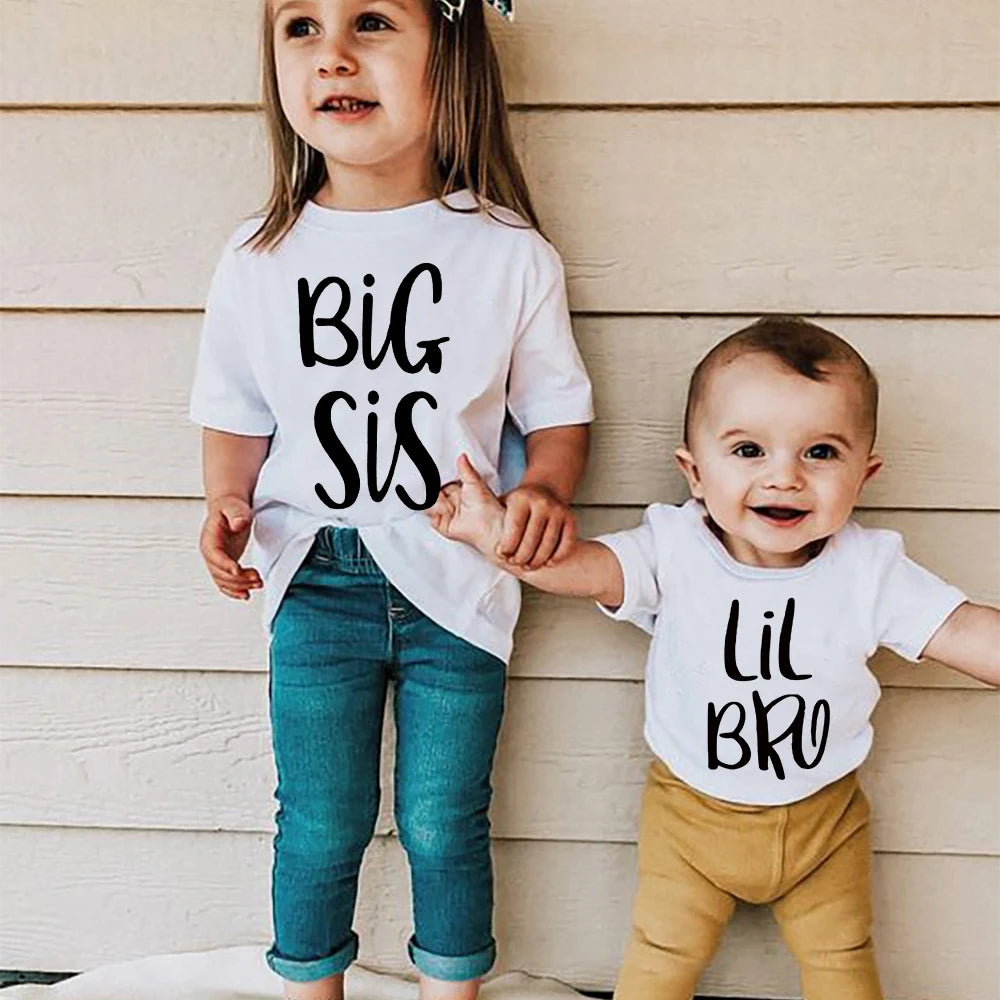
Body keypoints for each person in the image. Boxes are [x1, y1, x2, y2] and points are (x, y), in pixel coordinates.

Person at [188, 2, 593, 998]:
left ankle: (451, 987)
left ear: (448, 56)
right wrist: (225, 501)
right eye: (300, 27)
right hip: (310, 576)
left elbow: (558, 410)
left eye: (371, 20)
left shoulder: (507, 254)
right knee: (320, 817)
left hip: (458, 579)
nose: (332, 52)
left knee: (441, 816)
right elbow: (234, 408)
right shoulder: (257, 256)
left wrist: (542, 485)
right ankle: (310, 983)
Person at [430, 315, 1000, 1000]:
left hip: (824, 823)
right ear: (694, 472)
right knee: (659, 956)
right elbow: (580, 568)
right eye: (749, 450)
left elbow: (964, 631)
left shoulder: (872, 570)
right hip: (690, 821)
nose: (785, 477)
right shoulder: (673, 548)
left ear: (864, 473)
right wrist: (493, 534)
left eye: (820, 453)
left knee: (844, 958)